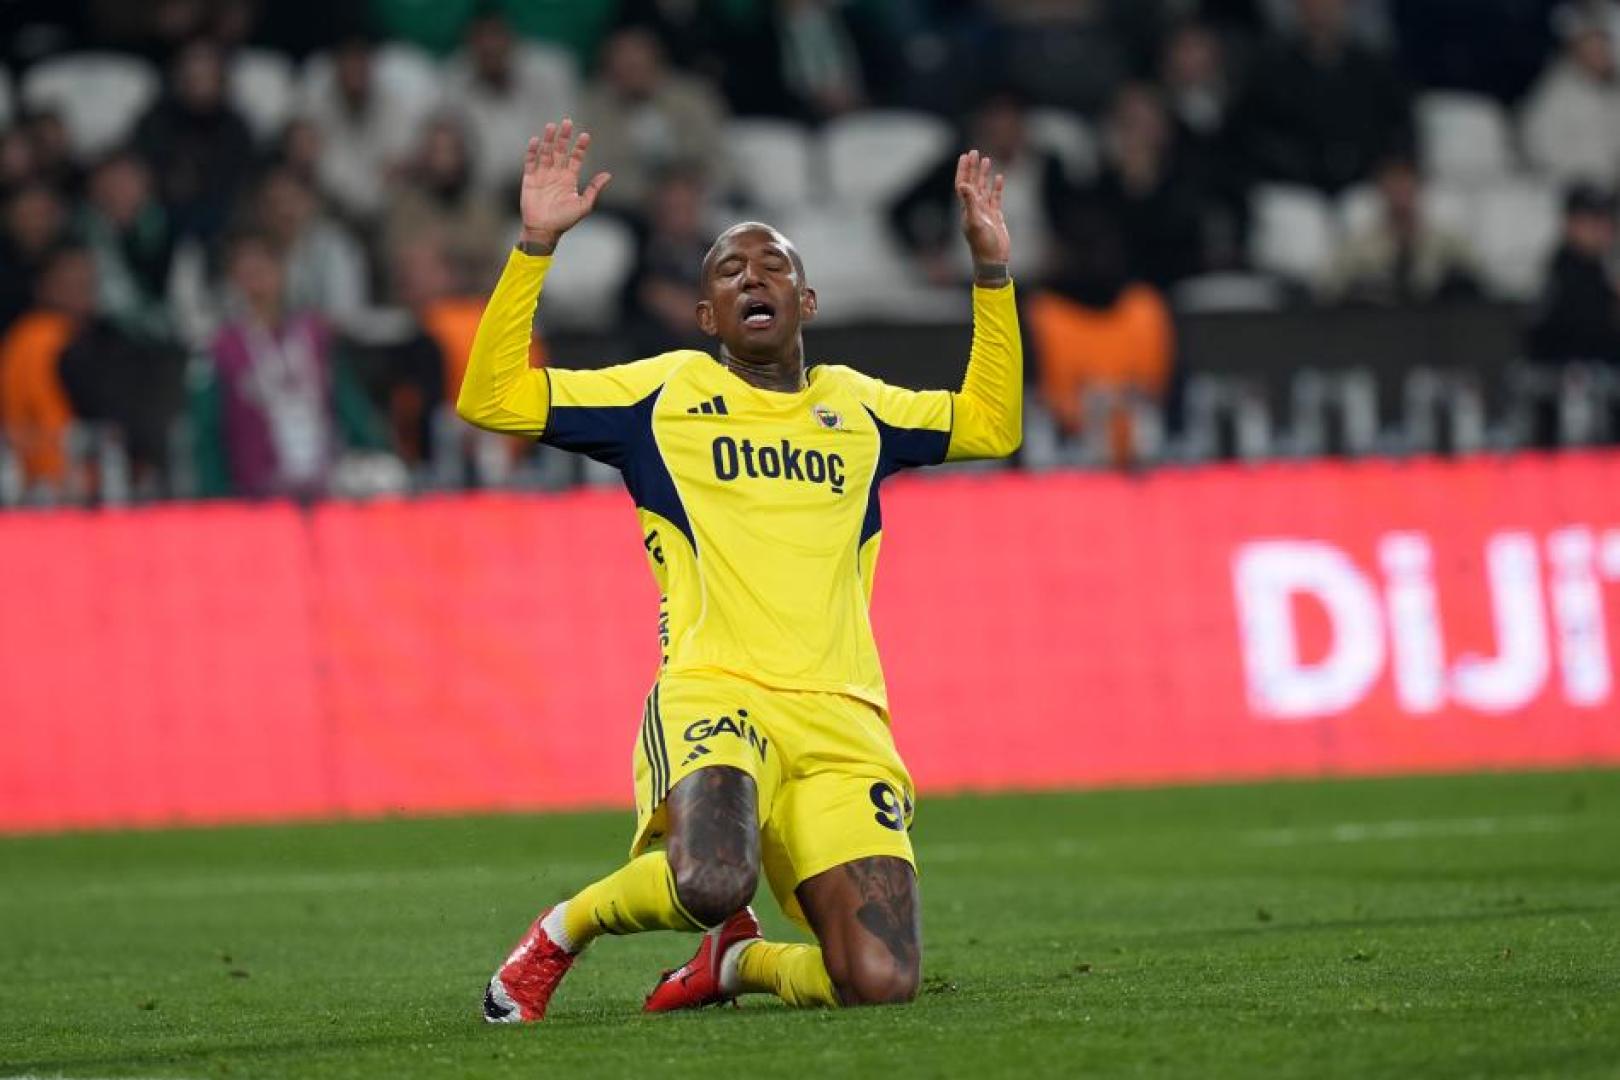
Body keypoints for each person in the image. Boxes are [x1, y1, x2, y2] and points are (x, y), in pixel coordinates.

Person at [460, 119, 1020, 1020]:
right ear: (707, 318)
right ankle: (561, 932)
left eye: (773, 267)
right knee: (712, 879)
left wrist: (990, 271)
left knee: (878, 983)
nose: (753, 278)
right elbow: (490, 397)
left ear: (808, 300)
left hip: (842, 715)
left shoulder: (860, 409)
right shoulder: (663, 395)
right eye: (729, 271)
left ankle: (738, 964)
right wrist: (534, 248)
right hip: (717, 691)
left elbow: (993, 422)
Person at [1229, 0, 1412, 194]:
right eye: (1312, 4)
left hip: (1365, 184)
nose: (1320, 12)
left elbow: (1396, 128)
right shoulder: (1270, 69)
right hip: (1292, 188)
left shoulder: (1373, 68)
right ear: (1299, 9)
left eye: (1329, 4)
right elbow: (1253, 136)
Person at [577, 27, 729, 214]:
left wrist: (686, 189)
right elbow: (596, 172)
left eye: (637, 68)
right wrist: (651, 195)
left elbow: (714, 154)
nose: (631, 77)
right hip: (629, 206)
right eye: (623, 70)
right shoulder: (594, 108)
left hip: (698, 198)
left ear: (657, 64)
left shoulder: (692, 98)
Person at [1324, 152, 1480, 305]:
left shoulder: (1447, 243)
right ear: (1381, 190)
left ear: (1418, 187)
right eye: (1393, 185)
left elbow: (1477, 282)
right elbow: (1330, 290)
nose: (1399, 193)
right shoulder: (1359, 247)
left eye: (1405, 183)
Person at [1521, 3, 1620, 189]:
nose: (1598, 55)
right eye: (1591, 48)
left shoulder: (1614, 92)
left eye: (1602, 48)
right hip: (1576, 189)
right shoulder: (1554, 93)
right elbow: (1539, 145)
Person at [1527, 183, 1620, 365]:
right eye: (1593, 221)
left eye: (1607, 221)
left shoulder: (1598, 269)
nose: (1603, 230)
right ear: (1571, 224)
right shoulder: (1566, 272)